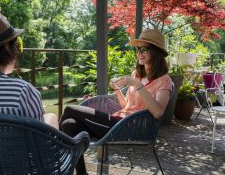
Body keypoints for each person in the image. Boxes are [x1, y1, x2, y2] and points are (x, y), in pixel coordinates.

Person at [59, 29, 172, 174]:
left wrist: (138, 85)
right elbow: (127, 106)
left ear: (156, 53)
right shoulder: (136, 74)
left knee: (69, 110)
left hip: (134, 128)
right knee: (69, 124)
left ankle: (55, 152)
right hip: (119, 122)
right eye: (137, 49)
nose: (139, 53)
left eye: (144, 49)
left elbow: (157, 112)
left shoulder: (164, 80)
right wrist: (117, 90)